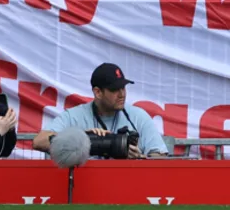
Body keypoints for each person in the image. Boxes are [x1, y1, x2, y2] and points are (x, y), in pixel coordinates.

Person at [29, 63, 168, 158]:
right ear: (98, 92)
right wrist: (80, 137)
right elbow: (38, 142)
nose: (122, 94)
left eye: (123, 88)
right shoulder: (75, 116)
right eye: (114, 90)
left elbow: (160, 156)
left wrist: (140, 158)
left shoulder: (138, 116)